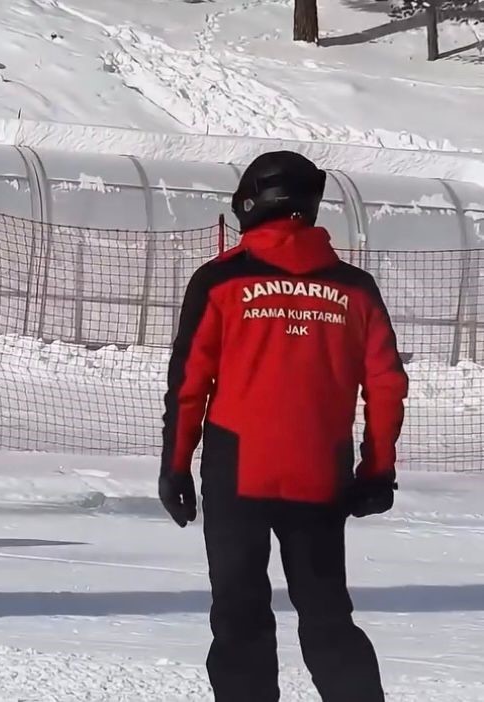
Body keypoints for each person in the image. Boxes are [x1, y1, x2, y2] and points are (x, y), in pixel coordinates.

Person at [158, 151, 408, 702]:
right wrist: (378, 470)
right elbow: (387, 383)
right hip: (319, 474)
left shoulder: (220, 280)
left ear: (250, 203)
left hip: (236, 473)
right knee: (327, 618)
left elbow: (189, 384)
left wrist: (174, 466)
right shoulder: (356, 288)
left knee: (240, 618)